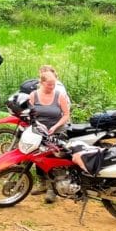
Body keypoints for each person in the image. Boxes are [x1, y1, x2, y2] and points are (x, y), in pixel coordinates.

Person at [29, 69, 71, 204]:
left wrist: (54, 127)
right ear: (42, 83)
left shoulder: (59, 96)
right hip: (39, 132)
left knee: (53, 160)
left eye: (53, 84)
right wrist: (38, 125)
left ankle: (53, 189)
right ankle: (42, 183)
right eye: (49, 84)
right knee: (38, 158)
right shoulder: (33, 95)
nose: (52, 87)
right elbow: (29, 113)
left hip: (57, 132)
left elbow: (66, 114)